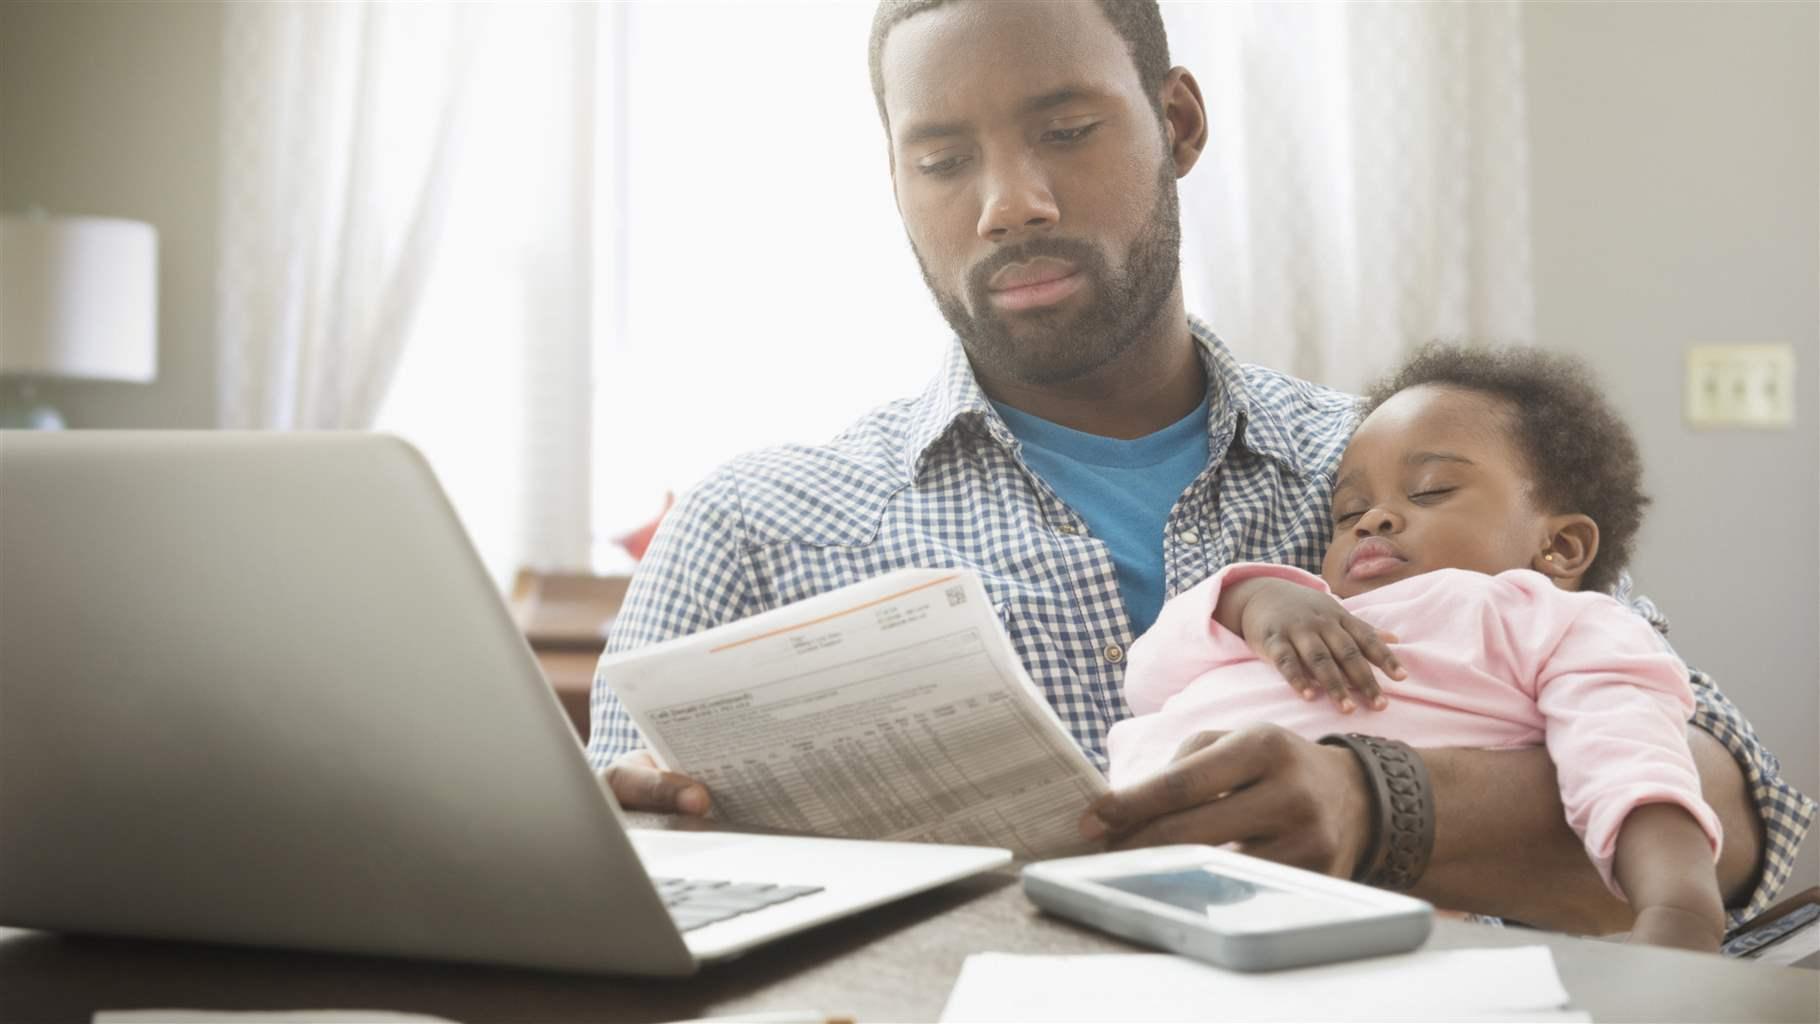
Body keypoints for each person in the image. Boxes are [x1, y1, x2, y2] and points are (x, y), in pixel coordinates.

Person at [589, 0, 1813, 935]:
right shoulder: (752, 526)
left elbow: (1739, 806)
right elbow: (593, 869)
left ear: (1176, 124)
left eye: (1065, 130)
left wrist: (1374, 804)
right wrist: (640, 844)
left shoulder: (1404, 477)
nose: (1008, 203)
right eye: (942, 159)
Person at [1107, 344, 1725, 950]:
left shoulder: (1555, 622)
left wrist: (1680, 909)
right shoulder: (1309, 609)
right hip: (1110, 881)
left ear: (1560, 547)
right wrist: (1251, 600)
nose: (1374, 520)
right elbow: (1148, 682)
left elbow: (1629, 759)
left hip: (1314, 917)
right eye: (1348, 512)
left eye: (1429, 491)